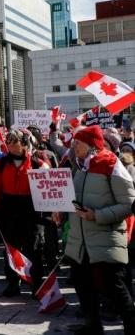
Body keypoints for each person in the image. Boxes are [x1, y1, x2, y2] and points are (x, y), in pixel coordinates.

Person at [65, 126, 135, 335]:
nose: (74, 146)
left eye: (78, 142)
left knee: (115, 288)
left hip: (106, 240)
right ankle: (93, 326)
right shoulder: (81, 167)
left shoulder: (112, 164)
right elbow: (76, 200)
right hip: (81, 241)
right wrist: (62, 210)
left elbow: (129, 204)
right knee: (82, 284)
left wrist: (97, 215)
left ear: (90, 144)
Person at [0, 129, 48, 297]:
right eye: (9, 141)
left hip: (31, 210)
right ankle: (13, 282)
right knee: (11, 249)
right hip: (8, 209)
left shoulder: (38, 164)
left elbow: (49, 187)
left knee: (33, 249)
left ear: (24, 143)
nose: (11, 145)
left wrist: (48, 210)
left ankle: (36, 283)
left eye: (15, 141)